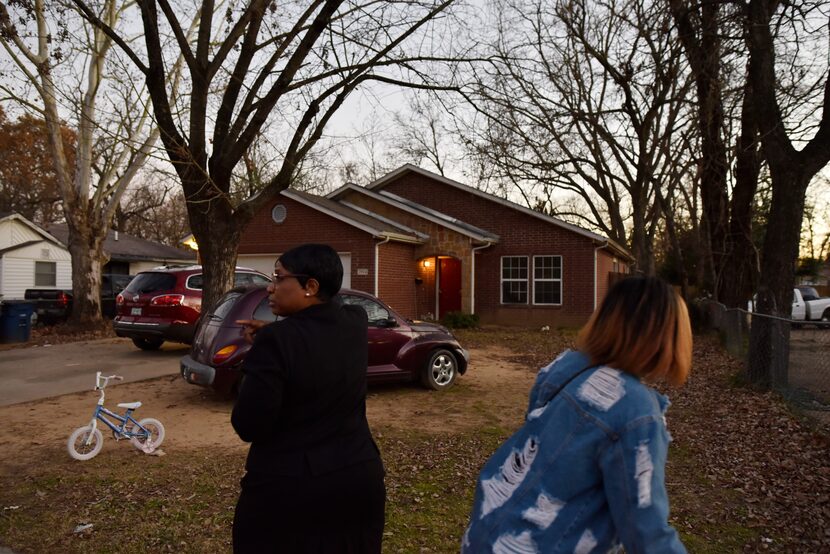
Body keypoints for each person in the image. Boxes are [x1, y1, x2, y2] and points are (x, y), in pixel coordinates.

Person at [462, 276, 692, 553]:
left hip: (488, 535)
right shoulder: (636, 410)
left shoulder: (566, 366)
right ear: (664, 336)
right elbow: (645, 528)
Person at [231, 243, 385, 553]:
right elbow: (317, 338)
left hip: (291, 493)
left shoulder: (276, 342)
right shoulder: (355, 322)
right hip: (358, 479)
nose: (270, 288)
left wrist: (261, 349)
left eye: (279, 277)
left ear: (310, 286)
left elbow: (248, 424)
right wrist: (275, 335)